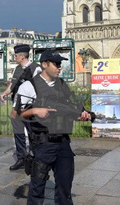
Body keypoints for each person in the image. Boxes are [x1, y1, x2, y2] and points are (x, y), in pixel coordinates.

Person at [15, 49, 92, 205]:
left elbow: (70, 108)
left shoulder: (62, 85)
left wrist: (81, 114)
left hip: (63, 142)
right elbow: (18, 114)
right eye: (56, 64)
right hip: (43, 144)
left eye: (60, 64)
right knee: (37, 189)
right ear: (44, 64)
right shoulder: (29, 86)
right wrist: (35, 110)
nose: (59, 67)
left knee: (65, 188)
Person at [0, 44, 41, 170]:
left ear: (22, 56)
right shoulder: (17, 68)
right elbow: (12, 85)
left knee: (33, 133)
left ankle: (35, 159)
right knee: (18, 133)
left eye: (16, 55)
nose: (14, 57)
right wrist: (4, 93)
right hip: (16, 106)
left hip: (29, 107)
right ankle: (21, 158)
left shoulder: (36, 68)